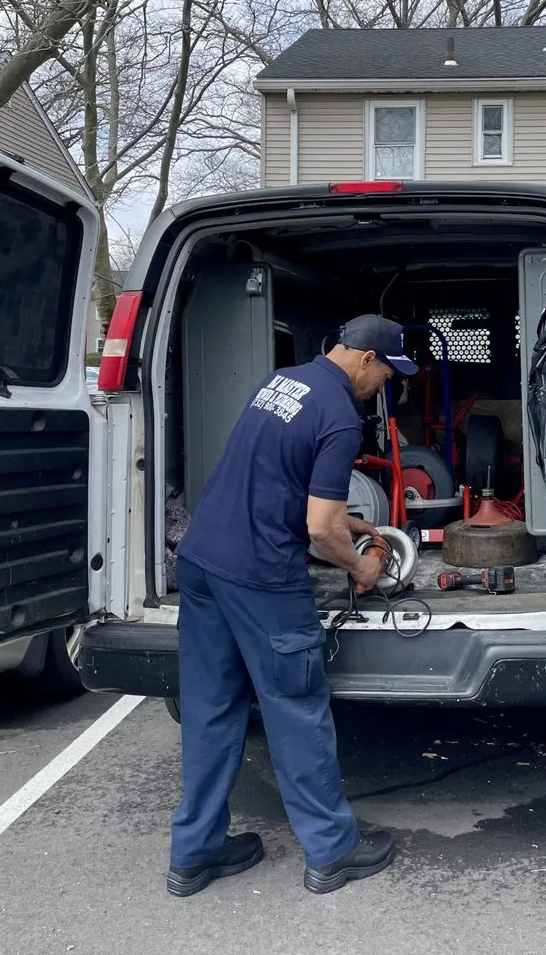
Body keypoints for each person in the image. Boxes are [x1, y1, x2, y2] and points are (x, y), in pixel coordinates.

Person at [168, 314, 419, 897]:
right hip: (261, 577)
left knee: (209, 709)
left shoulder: (279, 383)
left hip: (204, 561)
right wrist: (362, 564)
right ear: (363, 360)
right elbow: (318, 530)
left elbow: (273, 475)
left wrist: (346, 519)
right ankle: (333, 852)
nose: (384, 387)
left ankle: (195, 854)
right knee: (295, 707)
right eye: (386, 374)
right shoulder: (340, 416)